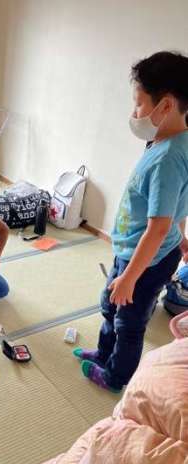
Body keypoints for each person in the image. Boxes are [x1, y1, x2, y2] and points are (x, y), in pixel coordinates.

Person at [74, 51, 188, 392]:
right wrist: (180, 236)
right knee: (110, 306)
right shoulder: (168, 140)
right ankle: (103, 354)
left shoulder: (168, 159)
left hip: (146, 261)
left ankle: (115, 377)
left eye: (139, 105)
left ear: (165, 105)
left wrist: (130, 277)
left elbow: (157, 227)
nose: (134, 114)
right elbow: (176, 204)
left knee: (129, 322)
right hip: (135, 252)